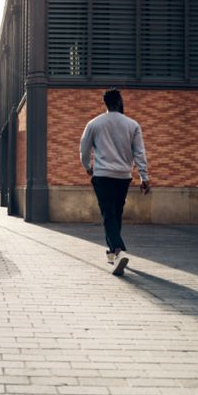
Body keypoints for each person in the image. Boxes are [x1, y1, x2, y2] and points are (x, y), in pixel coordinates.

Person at [80, 89, 151, 269]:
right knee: (115, 213)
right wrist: (144, 176)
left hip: (102, 175)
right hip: (123, 177)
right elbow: (139, 152)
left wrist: (88, 168)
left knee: (108, 214)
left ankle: (119, 250)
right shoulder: (132, 124)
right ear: (120, 101)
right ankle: (112, 253)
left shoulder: (94, 123)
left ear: (105, 103)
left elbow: (84, 150)